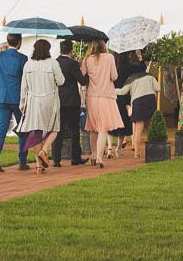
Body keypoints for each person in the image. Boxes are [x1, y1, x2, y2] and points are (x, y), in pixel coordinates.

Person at [17, 39, 65, 174]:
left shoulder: (28, 64)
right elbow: (61, 81)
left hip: (33, 100)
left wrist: (22, 102)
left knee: (35, 132)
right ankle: (44, 151)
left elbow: (23, 86)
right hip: (50, 99)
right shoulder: (53, 63)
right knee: (54, 128)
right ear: (48, 50)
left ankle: (38, 164)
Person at [0, 33, 29, 172]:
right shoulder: (23, 58)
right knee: (23, 129)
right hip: (18, 98)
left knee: (1, 129)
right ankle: (22, 162)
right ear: (19, 42)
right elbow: (25, 80)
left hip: (2, 97)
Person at [81, 39, 123, 168]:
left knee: (93, 127)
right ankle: (99, 157)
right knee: (103, 127)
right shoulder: (109, 57)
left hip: (92, 96)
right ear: (103, 45)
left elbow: (82, 75)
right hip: (106, 96)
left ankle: (94, 155)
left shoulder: (87, 59)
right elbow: (114, 77)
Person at [51, 39, 89, 166]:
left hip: (58, 100)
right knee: (74, 131)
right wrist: (83, 69)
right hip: (72, 101)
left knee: (58, 130)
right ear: (71, 51)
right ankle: (75, 158)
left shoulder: (54, 63)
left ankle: (56, 159)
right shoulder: (72, 64)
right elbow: (83, 81)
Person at [115, 70, 160, 159]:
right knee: (153, 126)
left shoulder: (131, 79)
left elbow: (122, 92)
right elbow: (158, 88)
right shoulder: (150, 77)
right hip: (150, 100)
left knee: (138, 130)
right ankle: (155, 149)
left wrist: (110, 90)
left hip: (137, 103)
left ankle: (136, 153)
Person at [109, 50, 146, 157]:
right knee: (123, 122)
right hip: (124, 97)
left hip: (112, 95)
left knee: (110, 122)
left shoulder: (112, 66)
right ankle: (118, 148)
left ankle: (109, 148)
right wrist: (140, 57)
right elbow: (142, 69)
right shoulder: (128, 67)